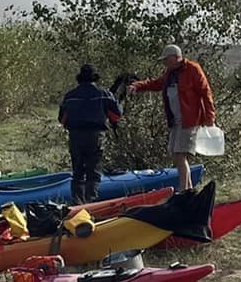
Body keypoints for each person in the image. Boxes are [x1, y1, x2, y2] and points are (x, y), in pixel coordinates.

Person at [126, 44, 216, 190]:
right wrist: (137, 86)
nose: (164, 63)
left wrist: (209, 117)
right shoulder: (170, 73)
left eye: (166, 59)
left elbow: (206, 93)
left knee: (180, 155)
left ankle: (185, 189)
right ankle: (188, 189)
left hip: (190, 121)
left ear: (175, 58)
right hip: (176, 122)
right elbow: (156, 83)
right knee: (176, 155)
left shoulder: (193, 69)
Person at [57, 64, 123, 205]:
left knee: (78, 173)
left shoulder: (70, 96)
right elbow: (116, 115)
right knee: (93, 173)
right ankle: (91, 204)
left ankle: (78, 204)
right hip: (96, 136)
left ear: (80, 79)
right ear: (95, 78)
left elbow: (62, 119)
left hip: (75, 137)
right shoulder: (104, 94)